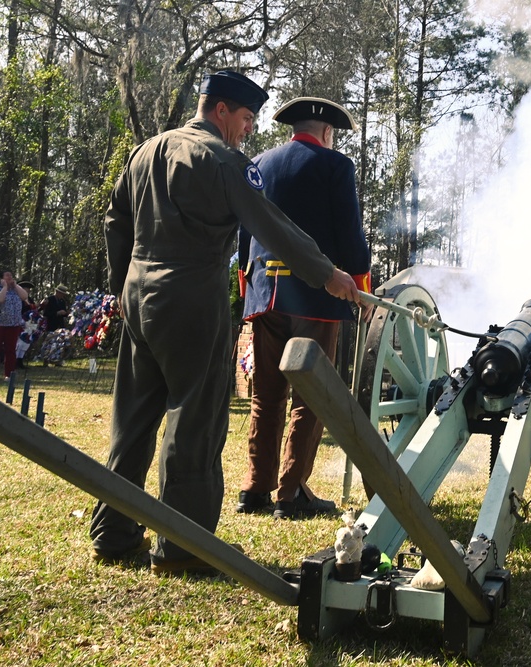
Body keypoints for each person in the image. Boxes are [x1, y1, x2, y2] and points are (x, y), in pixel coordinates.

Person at [90, 69, 360, 576]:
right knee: (194, 418)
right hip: (191, 296)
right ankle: (183, 547)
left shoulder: (145, 149)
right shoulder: (221, 159)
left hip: (137, 294)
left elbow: (115, 219)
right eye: (245, 118)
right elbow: (270, 225)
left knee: (133, 419)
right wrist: (327, 274)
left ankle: (114, 532)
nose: (248, 130)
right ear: (221, 111)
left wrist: (120, 283)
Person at [236, 97, 372, 519]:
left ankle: (255, 489)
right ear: (327, 132)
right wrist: (360, 282)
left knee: (267, 395)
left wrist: (248, 283)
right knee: (310, 397)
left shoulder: (258, 162)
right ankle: (290, 492)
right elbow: (349, 234)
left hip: (264, 293)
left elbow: (245, 231)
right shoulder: (335, 166)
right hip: (315, 295)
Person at [0, 270, 27, 382]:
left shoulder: (16, 289)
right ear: (1, 278)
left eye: (11, 275)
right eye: (7, 276)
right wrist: (5, 287)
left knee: (11, 350)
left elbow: (24, 296)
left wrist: (15, 285)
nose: (10, 277)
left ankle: (9, 374)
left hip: (13, 324)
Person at [15, 280, 41, 369]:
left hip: (29, 324)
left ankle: (20, 360)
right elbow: (22, 309)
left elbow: (34, 310)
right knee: (19, 343)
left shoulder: (29, 299)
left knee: (25, 343)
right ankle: (15, 360)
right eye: (27, 288)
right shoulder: (18, 298)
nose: (29, 290)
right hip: (20, 322)